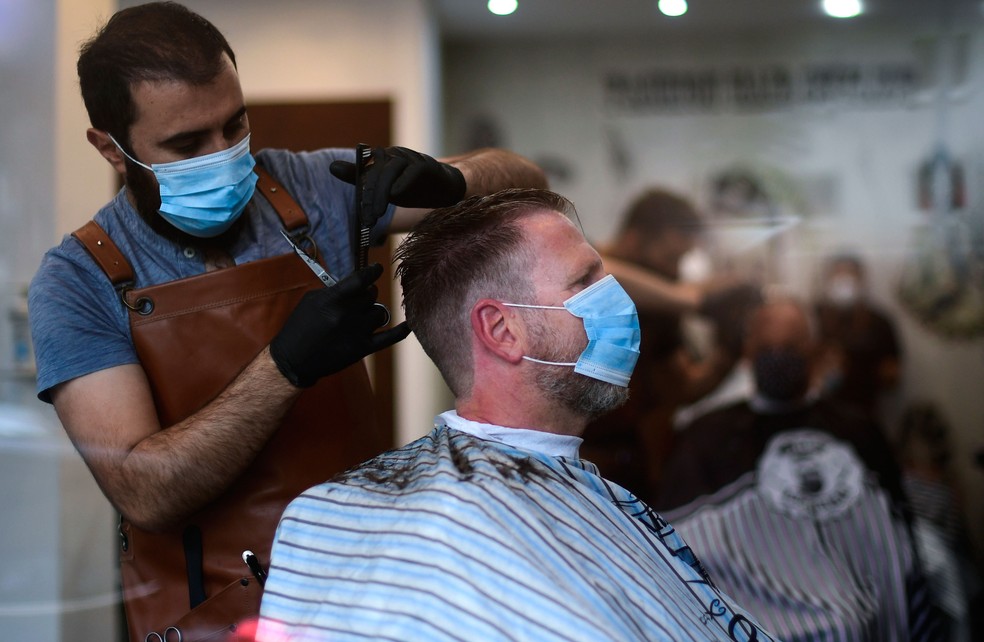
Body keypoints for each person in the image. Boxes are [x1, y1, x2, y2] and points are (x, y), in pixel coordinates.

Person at [27, 3, 546, 640]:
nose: (224, 157)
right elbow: (144, 491)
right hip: (210, 614)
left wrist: (450, 180)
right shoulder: (77, 280)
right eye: (187, 144)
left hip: (369, 584)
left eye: (234, 125)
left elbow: (526, 190)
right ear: (110, 148)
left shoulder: (305, 186)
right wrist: (286, 365)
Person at [255, 188, 775, 642]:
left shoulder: (585, 490)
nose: (621, 304)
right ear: (502, 331)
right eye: (586, 283)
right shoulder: (422, 530)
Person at [656, 297, 942, 642]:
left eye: (790, 347)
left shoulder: (856, 428)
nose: (778, 356)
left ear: (816, 351)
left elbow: (892, 526)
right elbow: (684, 538)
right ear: (748, 353)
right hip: (760, 608)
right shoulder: (707, 434)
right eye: (767, 348)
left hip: (864, 599)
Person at [581, 188, 759, 504]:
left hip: (635, 464)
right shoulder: (582, 270)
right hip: (578, 458)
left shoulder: (661, 308)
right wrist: (691, 298)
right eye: (670, 257)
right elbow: (598, 273)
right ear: (634, 239)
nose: (675, 271)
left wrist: (730, 349)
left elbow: (682, 388)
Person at [814, 252, 902, 418]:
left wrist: (859, 367)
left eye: (849, 274)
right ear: (828, 280)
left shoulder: (879, 322)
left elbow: (892, 377)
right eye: (838, 274)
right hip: (819, 413)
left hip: (863, 412)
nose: (843, 281)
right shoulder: (814, 317)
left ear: (861, 280)